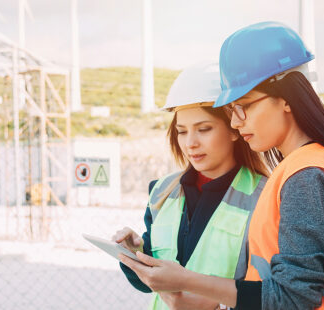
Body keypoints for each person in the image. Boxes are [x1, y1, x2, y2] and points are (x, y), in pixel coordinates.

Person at [119, 22, 324, 310]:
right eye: (232, 110)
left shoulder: (308, 178)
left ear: (286, 100)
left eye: (245, 105)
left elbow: (291, 299)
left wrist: (187, 281)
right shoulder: (313, 167)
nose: (235, 121)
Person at [112, 62, 269, 310]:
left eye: (203, 129)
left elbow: (276, 295)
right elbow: (149, 283)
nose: (190, 143)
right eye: (182, 131)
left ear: (234, 130)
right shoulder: (161, 191)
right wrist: (136, 254)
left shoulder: (266, 198)